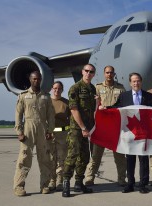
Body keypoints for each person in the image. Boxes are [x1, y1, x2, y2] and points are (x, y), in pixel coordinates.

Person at [104, 72, 152, 194]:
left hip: (144, 133)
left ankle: (143, 184)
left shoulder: (148, 96)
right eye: (134, 81)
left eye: (138, 81)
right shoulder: (124, 96)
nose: (136, 83)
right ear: (130, 83)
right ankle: (130, 183)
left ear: (141, 82)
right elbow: (116, 107)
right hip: (129, 133)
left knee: (143, 159)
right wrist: (105, 109)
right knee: (130, 159)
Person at [13, 71, 55, 196]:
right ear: (30, 80)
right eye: (34, 79)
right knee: (24, 157)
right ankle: (19, 187)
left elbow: (51, 115)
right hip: (28, 128)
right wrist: (19, 131)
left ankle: (44, 185)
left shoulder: (46, 96)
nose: (36, 81)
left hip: (42, 128)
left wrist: (50, 131)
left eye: (38, 79)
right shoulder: (23, 96)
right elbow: (18, 115)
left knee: (45, 158)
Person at [84, 65, 127, 187]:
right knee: (96, 155)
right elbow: (92, 105)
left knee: (119, 156)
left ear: (114, 74)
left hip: (115, 127)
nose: (109, 75)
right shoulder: (97, 88)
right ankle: (89, 178)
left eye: (111, 73)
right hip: (101, 127)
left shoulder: (121, 88)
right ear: (104, 74)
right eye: (107, 72)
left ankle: (121, 179)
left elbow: (123, 106)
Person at [62, 64, 97, 197]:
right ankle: (66, 183)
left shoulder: (92, 89)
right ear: (82, 72)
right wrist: (82, 128)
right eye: (86, 71)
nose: (88, 73)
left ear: (93, 74)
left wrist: (98, 103)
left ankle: (78, 183)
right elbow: (74, 109)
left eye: (91, 72)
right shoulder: (75, 88)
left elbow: (93, 110)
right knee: (72, 155)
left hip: (87, 129)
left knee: (85, 157)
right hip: (77, 129)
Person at [48, 81, 70, 191]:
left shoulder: (66, 103)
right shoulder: (47, 102)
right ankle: (52, 180)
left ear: (62, 90)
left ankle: (60, 181)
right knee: (52, 158)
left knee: (62, 158)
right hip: (50, 134)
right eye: (55, 88)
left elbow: (71, 119)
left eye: (59, 88)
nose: (57, 90)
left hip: (62, 133)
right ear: (52, 89)